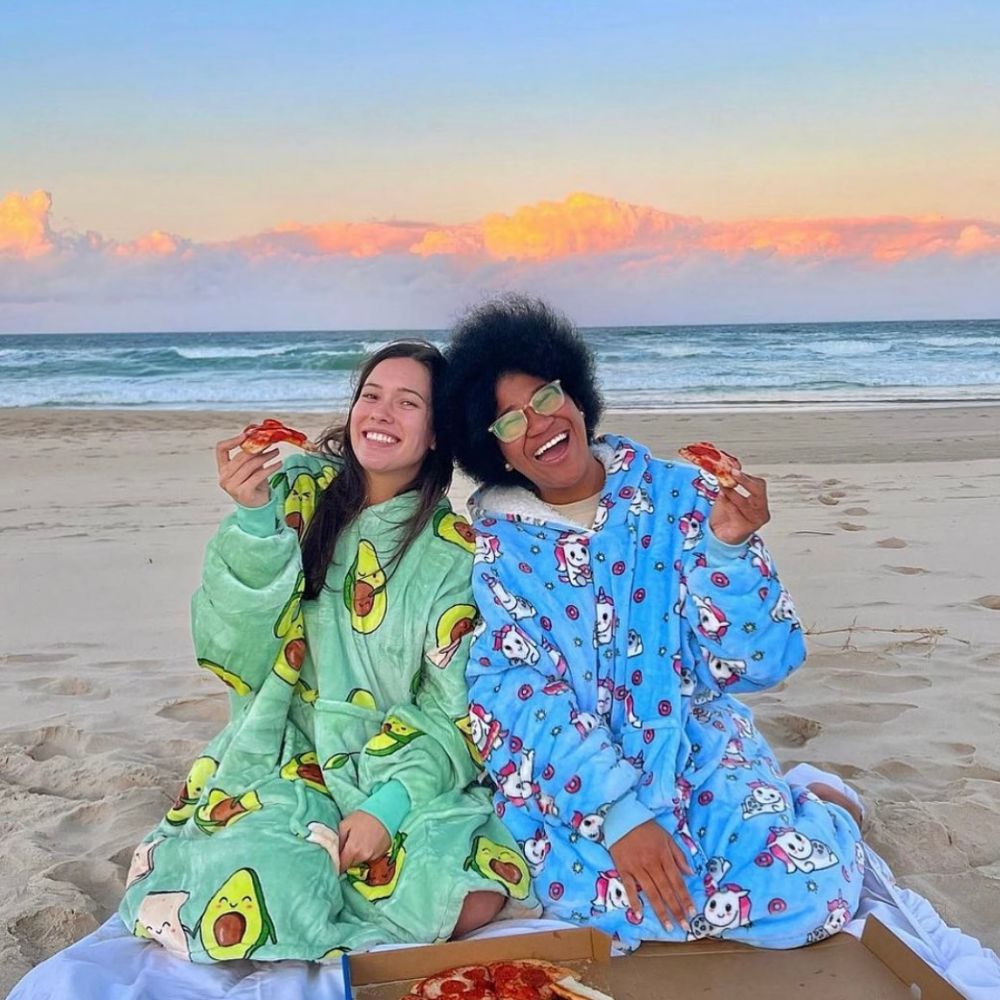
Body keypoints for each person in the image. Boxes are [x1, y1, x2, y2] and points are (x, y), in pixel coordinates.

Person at [445, 296, 864, 952]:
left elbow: (763, 663)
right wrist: (618, 814)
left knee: (806, 898)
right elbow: (512, 693)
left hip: (696, 745)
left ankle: (820, 801)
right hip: (579, 769)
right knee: (613, 905)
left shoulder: (684, 494)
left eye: (547, 396)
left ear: (576, 394)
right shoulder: (499, 547)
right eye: (509, 421)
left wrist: (729, 553)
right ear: (493, 449)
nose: (539, 423)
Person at [107, 341, 533, 964]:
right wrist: (255, 522)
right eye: (371, 396)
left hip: (391, 757)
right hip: (287, 751)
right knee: (261, 880)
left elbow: (452, 710)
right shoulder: (297, 494)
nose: (381, 413)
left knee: (467, 892)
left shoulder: (454, 550)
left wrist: (386, 808)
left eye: (408, 403)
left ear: (437, 432)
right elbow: (233, 647)